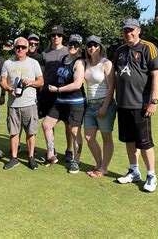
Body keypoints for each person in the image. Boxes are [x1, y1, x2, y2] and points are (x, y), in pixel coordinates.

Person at [114, 18, 158, 192]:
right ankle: (134, 171)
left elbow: (156, 75)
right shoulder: (119, 51)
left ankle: (151, 175)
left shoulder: (148, 48)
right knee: (129, 140)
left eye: (132, 30)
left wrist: (153, 102)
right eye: (125, 30)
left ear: (139, 30)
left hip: (141, 105)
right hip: (123, 104)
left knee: (145, 143)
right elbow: (116, 76)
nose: (128, 33)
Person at [42, 34, 85, 173]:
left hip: (74, 102)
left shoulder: (79, 62)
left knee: (74, 131)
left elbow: (78, 84)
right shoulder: (64, 59)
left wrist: (58, 89)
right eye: (71, 44)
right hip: (60, 100)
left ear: (79, 47)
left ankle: (76, 161)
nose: (73, 47)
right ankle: (50, 154)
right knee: (47, 124)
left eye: (76, 45)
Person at [0, 37, 44, 170]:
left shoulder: (34, 63)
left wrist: (31, 82)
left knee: (31, 132)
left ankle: (31, 157)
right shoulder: (8, 63)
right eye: (17, 47)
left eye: (23, 47)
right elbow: (2, 81)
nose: (20, 49)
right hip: (13, 104)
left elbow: (41, 81)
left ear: (27, 49)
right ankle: (14, 158)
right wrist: (9, 88)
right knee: (14, 133)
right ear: (14, 48)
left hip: (29, 103)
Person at [83, 35, 117, 178]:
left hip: (105, 104)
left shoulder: (106, 63)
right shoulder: (85, 63)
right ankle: (99, 164)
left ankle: (104, 168)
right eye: (90, 45)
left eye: (95, 45)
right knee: (88, 137)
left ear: (100, 47)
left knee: (106, 136)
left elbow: (111, 87)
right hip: (89, 105)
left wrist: (104, 107)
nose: (92, 48)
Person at [41, 25, 73, 163]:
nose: (56, 38)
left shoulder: (68, 51)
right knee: (49, 123)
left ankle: (69, 150)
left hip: (65, 92)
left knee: (68, 124)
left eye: (59, 35)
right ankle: (51, 150)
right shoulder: (45, 53)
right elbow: (42, 73)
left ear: (62, 37)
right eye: (53, 35)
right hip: (48, 92)